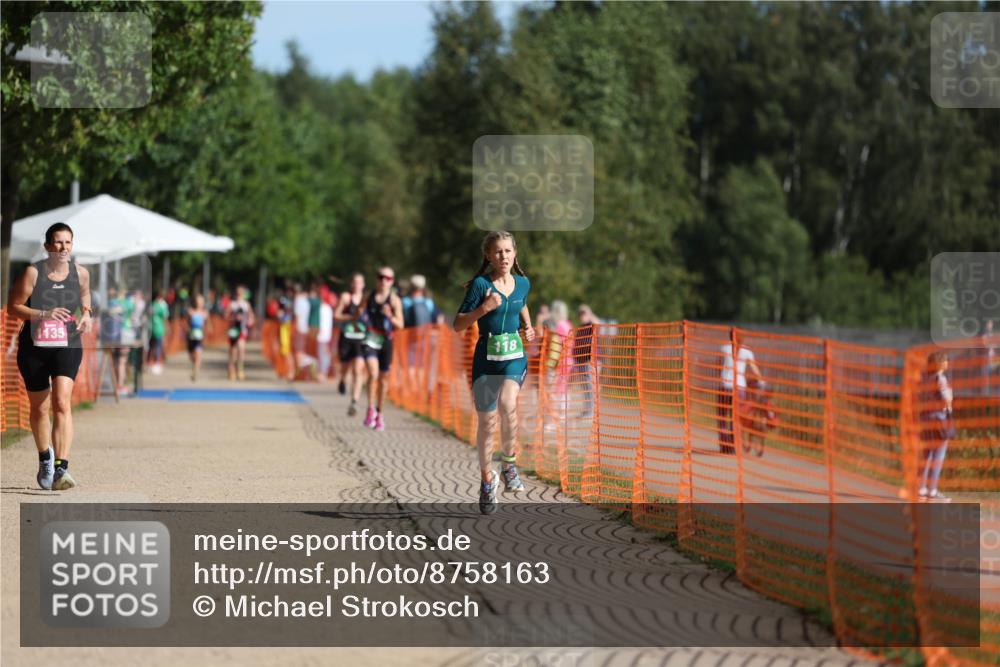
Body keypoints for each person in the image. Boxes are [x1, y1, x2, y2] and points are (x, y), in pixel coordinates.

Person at [453, 231, 536, 515]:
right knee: (487, 423)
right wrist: (484, 308)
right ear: (488, 256)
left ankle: (509, 464)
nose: (503, 257)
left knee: (508, 404)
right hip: (486, 359)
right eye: (498, 252)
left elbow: (521, 302)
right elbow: (457, 324)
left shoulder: (523, 283)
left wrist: (527, 325)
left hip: (513, 356)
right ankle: (487, 480)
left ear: (515, 254)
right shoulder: (480, 285)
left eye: (508, 251)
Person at [7, 222, 93, 491]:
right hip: (34, 347)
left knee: (61, 403)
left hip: (67, 344)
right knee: (40, 408)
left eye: (67, 242)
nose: (63, 247)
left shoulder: (81, 273)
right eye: (57, 242)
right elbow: (13, 307)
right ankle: (46, 458)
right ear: (47, 246)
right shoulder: (33, 273)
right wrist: (43, 314)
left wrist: (87, 314)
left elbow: (85, 296)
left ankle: (61, 468)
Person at [357, 267, 404, 431]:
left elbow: (400, 324)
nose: (384, 281)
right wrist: (361, 317)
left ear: (392, 281)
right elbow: (359, 311)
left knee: (383, 380)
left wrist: (390, 315)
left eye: (388, 278)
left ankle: (379, 413)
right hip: (370, 338)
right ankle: (370, 409)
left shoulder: (394, 300)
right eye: (381, 277)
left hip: (386, 341)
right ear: (377, 279)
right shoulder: (369, 296)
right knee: (373, 373)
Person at [918, 351, 954, 501]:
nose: (947, 363)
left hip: (925, 419)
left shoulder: (924, 378)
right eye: (945, 361)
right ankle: (932, 490)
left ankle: (921, 488)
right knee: (938, 456)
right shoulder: (941, 379)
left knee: (926, 455)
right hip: (939, 420)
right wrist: (950, 396)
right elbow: (946, 400)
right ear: (939, 363)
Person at [718, 340, 763, 454]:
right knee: (736, 418)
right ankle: (732, 445)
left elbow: (718, 366)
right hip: (739, 388)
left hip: (725, 385)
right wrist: (761, 381)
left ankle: (724, 445)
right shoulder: (746, 351)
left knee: (722, 417)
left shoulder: (724, 348)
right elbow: (754, 368)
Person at [334, 272, 368, 414]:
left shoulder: (366, 300)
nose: (356, 285)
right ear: (351, 284)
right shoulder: (346, 297)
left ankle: (354, 402)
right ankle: (342, 380)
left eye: (359, 282)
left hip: (360, 338)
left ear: (363, 285)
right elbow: (336, 315)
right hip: (347, 337)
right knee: (345, 367)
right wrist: (350, 316)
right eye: (354, 282)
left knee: (358, 369)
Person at [573, 304, 600, 418]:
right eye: (581, 314)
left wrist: (589, 312)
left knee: (590, 386)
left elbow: (598, 323)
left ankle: (592, 411)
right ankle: (588, 409)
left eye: (584, 314)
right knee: (585, 387)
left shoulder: (591, 325)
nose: (582, 316)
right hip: (581, 360)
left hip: (590, 360)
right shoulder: (580, 327)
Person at [227, 285, 255, 381]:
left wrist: (250, 321)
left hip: (242, 330)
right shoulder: (232, 304)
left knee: (241, 349)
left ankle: (240, 369)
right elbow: (226, 315)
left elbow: (251, 316)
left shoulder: (246, 304)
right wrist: (233, 318)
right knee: (233, 351)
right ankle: (231, 370)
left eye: (241, 292)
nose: (239, 294)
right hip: (233, 330)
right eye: (238, 292)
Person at [187, 294, 209, 382]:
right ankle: (194, 364)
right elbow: (187, 323)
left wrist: (205, 334)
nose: (199, 303)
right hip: (191, 336)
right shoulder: (190, 311)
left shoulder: (204, 313)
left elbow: (207, 324)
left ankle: (195, 372)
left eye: (201, 301)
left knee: (198, 354)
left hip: (200, 336)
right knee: (191, 355)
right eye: (198, 301)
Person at [316, 287, 336, 382]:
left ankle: (322, 373)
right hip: (324, 335)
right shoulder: (326, 308)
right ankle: (322, 372)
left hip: (323, 336)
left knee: (323, 355)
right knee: (323, 355)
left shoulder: (324, 308)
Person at [147, 291, 169, 375]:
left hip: (151, 328)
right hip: (158, 329)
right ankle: (156, 364)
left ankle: (148, 363)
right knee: (158, 347)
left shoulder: (152, 305)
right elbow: (165, 317)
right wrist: (167, 328)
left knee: (151, 346)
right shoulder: (161, 306)